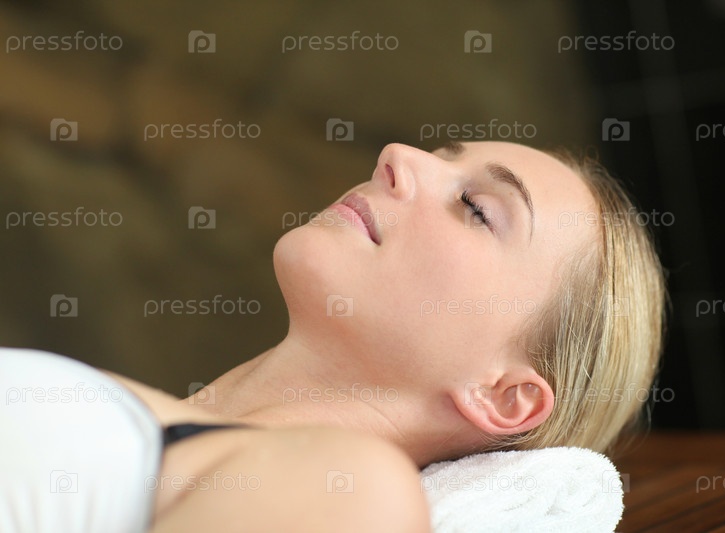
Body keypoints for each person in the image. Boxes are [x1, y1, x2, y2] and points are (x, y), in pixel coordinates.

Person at [0, 141, 666, 533]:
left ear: (503, 395)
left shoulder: (355, 494)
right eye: (440, 154)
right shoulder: (151, 427)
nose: (398, 156)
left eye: (476, 208)